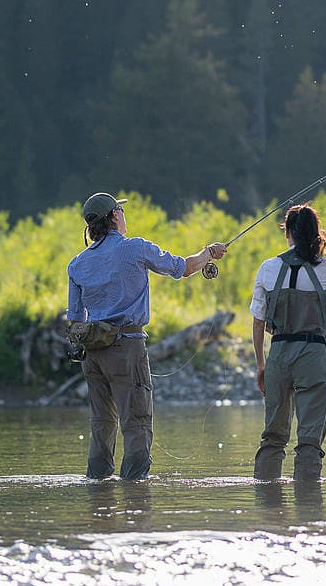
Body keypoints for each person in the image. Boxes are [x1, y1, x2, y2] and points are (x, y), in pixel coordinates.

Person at [67, 190, 227, 480]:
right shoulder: (135, 248)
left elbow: (75, 319)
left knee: (101, 424)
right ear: (115, 216)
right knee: (136, 421)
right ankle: (135, 492)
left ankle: (97, 490)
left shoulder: (77, 264)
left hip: (93, 354)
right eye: (121, 211)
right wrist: (208, 253)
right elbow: (184, 268)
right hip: (127, 347)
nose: (124, 215)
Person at [250, 202, 326, 482]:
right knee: (309, 438)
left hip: (279, 354)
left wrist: (261, 366)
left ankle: (267, 499)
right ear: (315, 233)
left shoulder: (268, 268)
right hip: (314, 355)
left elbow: (258, 322)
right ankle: (308, 504)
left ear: (288, 233)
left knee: (273, 434)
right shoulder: (325, 267)